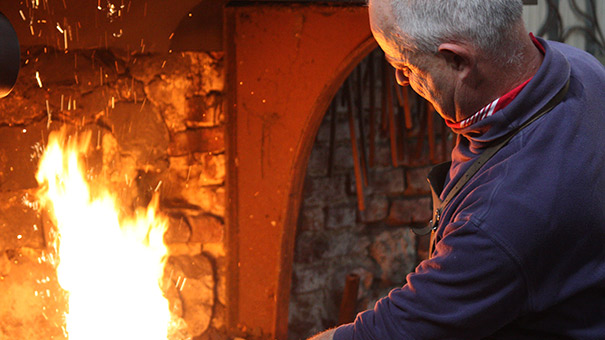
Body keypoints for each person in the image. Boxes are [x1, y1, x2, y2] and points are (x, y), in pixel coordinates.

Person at [308, 0, 605, 339]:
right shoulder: (579, 66)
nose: (401, 80)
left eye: (404, 64)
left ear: (458, 60)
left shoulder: (501, 219)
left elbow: (384, 333)